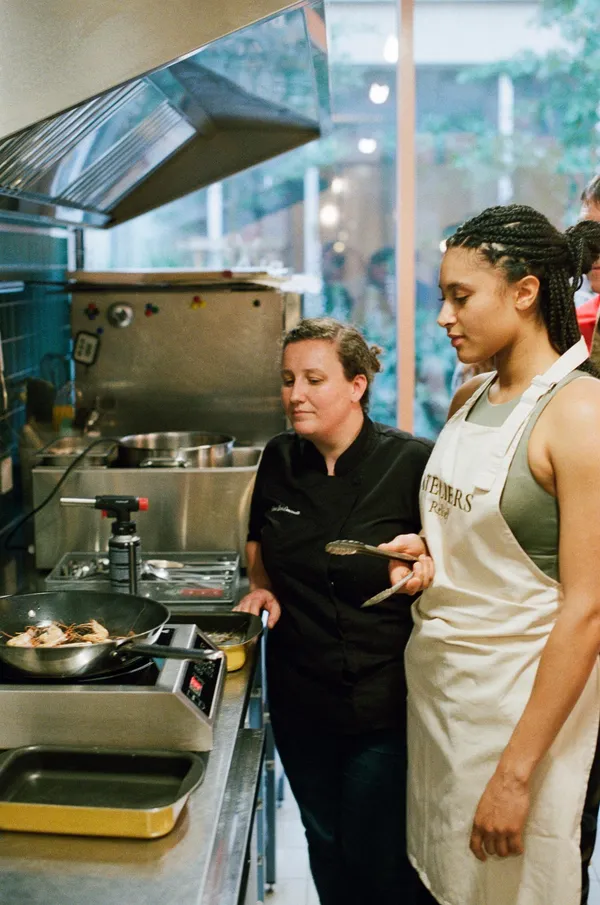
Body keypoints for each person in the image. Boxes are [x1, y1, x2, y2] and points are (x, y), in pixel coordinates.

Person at [381, 205, 600, 905]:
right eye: (442, 296)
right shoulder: (471, 394)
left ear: (526, 291)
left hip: (520, 724)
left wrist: (516, 772)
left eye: (460, 296)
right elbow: (481, 530)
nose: (445, 316)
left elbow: (589, 610)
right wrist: (430, 549)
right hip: (447, 710)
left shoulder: (580, 415)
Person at [235, 317, 432, 905]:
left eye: (314, 379)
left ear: (357, 385)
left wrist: (425, 568)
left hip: (384, 703)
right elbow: (258, 541)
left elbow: (446, 563)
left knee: (377, 853)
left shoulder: (413, 463)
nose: (295, 394)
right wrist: (262, 585)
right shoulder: (279, 458)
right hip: (301, 699)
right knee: (322, 841)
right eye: (288, 379)